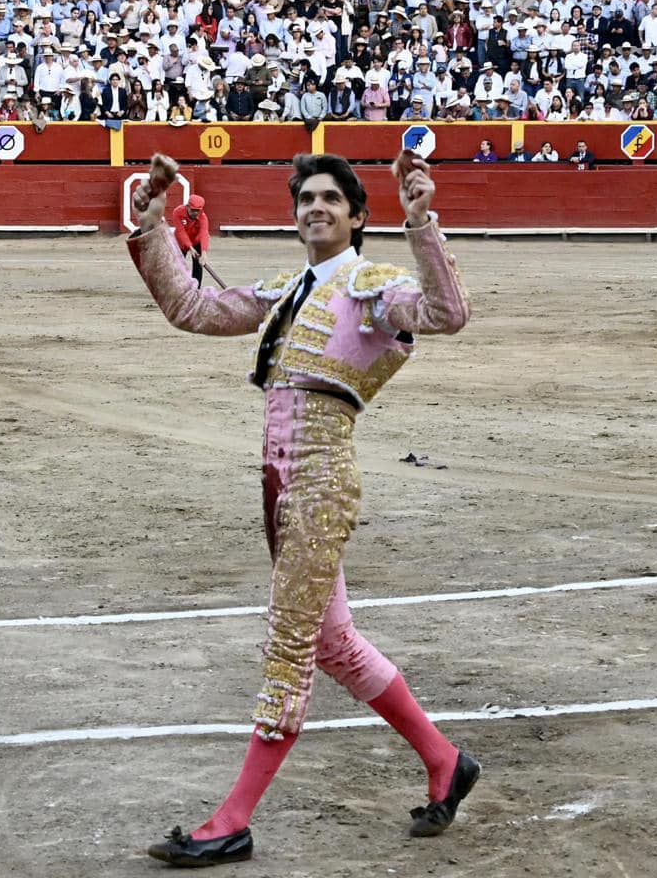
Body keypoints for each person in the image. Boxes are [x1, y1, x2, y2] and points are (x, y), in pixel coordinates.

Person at [126, 150, 477, 868]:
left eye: (330, 199)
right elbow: (193, 309)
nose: (315, 207)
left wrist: (421, 224)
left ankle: (232, 820)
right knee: (333, 644)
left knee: (289, 645)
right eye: (305, 199)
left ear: (355, 216)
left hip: (321, 478)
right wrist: (152, 226)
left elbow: (448, 312)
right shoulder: (289, 288)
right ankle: (446, 761)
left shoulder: (374, 287)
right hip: (278, 480)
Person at [167, 192, 212, 286]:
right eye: (193, 210)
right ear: (187, 206)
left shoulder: (203, 217)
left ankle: (196, 289)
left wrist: (204, 252)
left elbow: (204, 234)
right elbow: (180, 232)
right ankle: (176, 287)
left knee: (198, 266)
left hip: (196, 241)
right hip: (181, 242)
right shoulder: (178, 212)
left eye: (198, 210)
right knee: (178, 266)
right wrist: (190, 247)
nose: (195, 213)